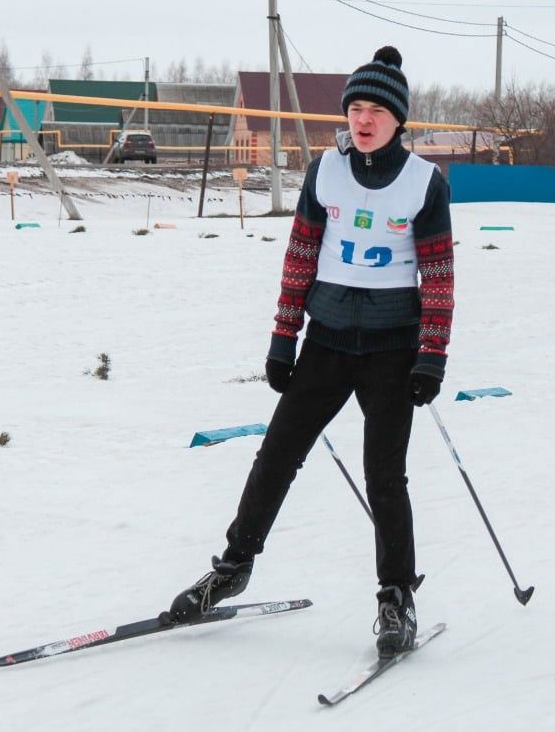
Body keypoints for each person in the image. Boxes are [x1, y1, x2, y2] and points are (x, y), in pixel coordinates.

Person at [167, 46, 454, 659]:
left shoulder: (424, 182)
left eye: (376, 109)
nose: (364, 119)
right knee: (275, 457)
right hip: (325, 343)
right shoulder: (324, 171)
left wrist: (431, 356)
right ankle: (234, 565)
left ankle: (395, 597)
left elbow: (439, 278)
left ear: (399, 119)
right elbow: (300, 259)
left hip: (390, 350)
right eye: (355, 108)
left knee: (385, 476)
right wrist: (281, 339)